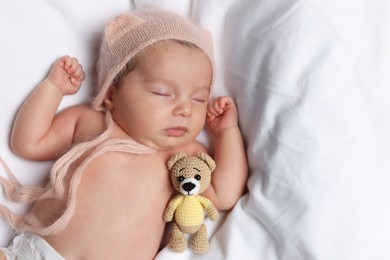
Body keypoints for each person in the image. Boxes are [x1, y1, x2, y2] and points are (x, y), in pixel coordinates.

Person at [0, 7, 248, 259]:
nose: (185, 109)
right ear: (110, 92)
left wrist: (226, 132)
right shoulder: (90, 123)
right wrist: (52, 89)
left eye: (199, 99)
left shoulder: (184, 155)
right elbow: (28, 143)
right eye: (163, 93)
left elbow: (225, 195)